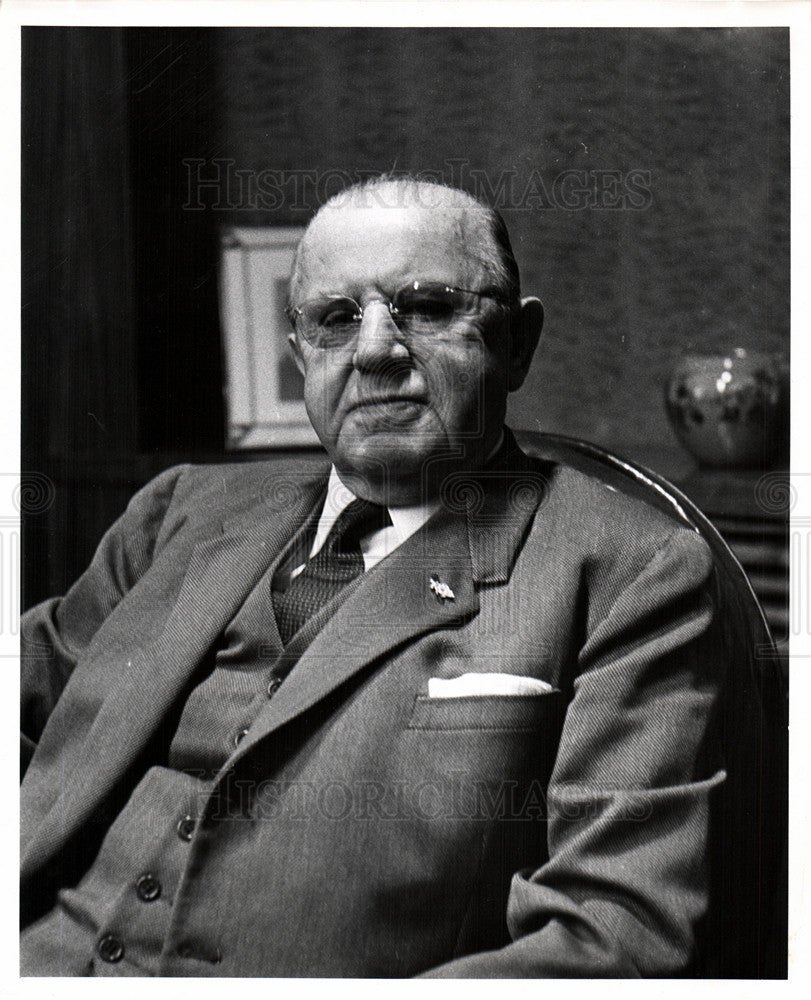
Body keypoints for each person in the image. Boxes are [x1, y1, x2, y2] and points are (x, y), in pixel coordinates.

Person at [21, 176, 728, 977]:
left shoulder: (627, 571)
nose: (374, 350)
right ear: (300, 355)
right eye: (334, 319)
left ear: (517, 345)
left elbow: (616, 931)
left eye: (425, 308)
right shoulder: (180, 512)